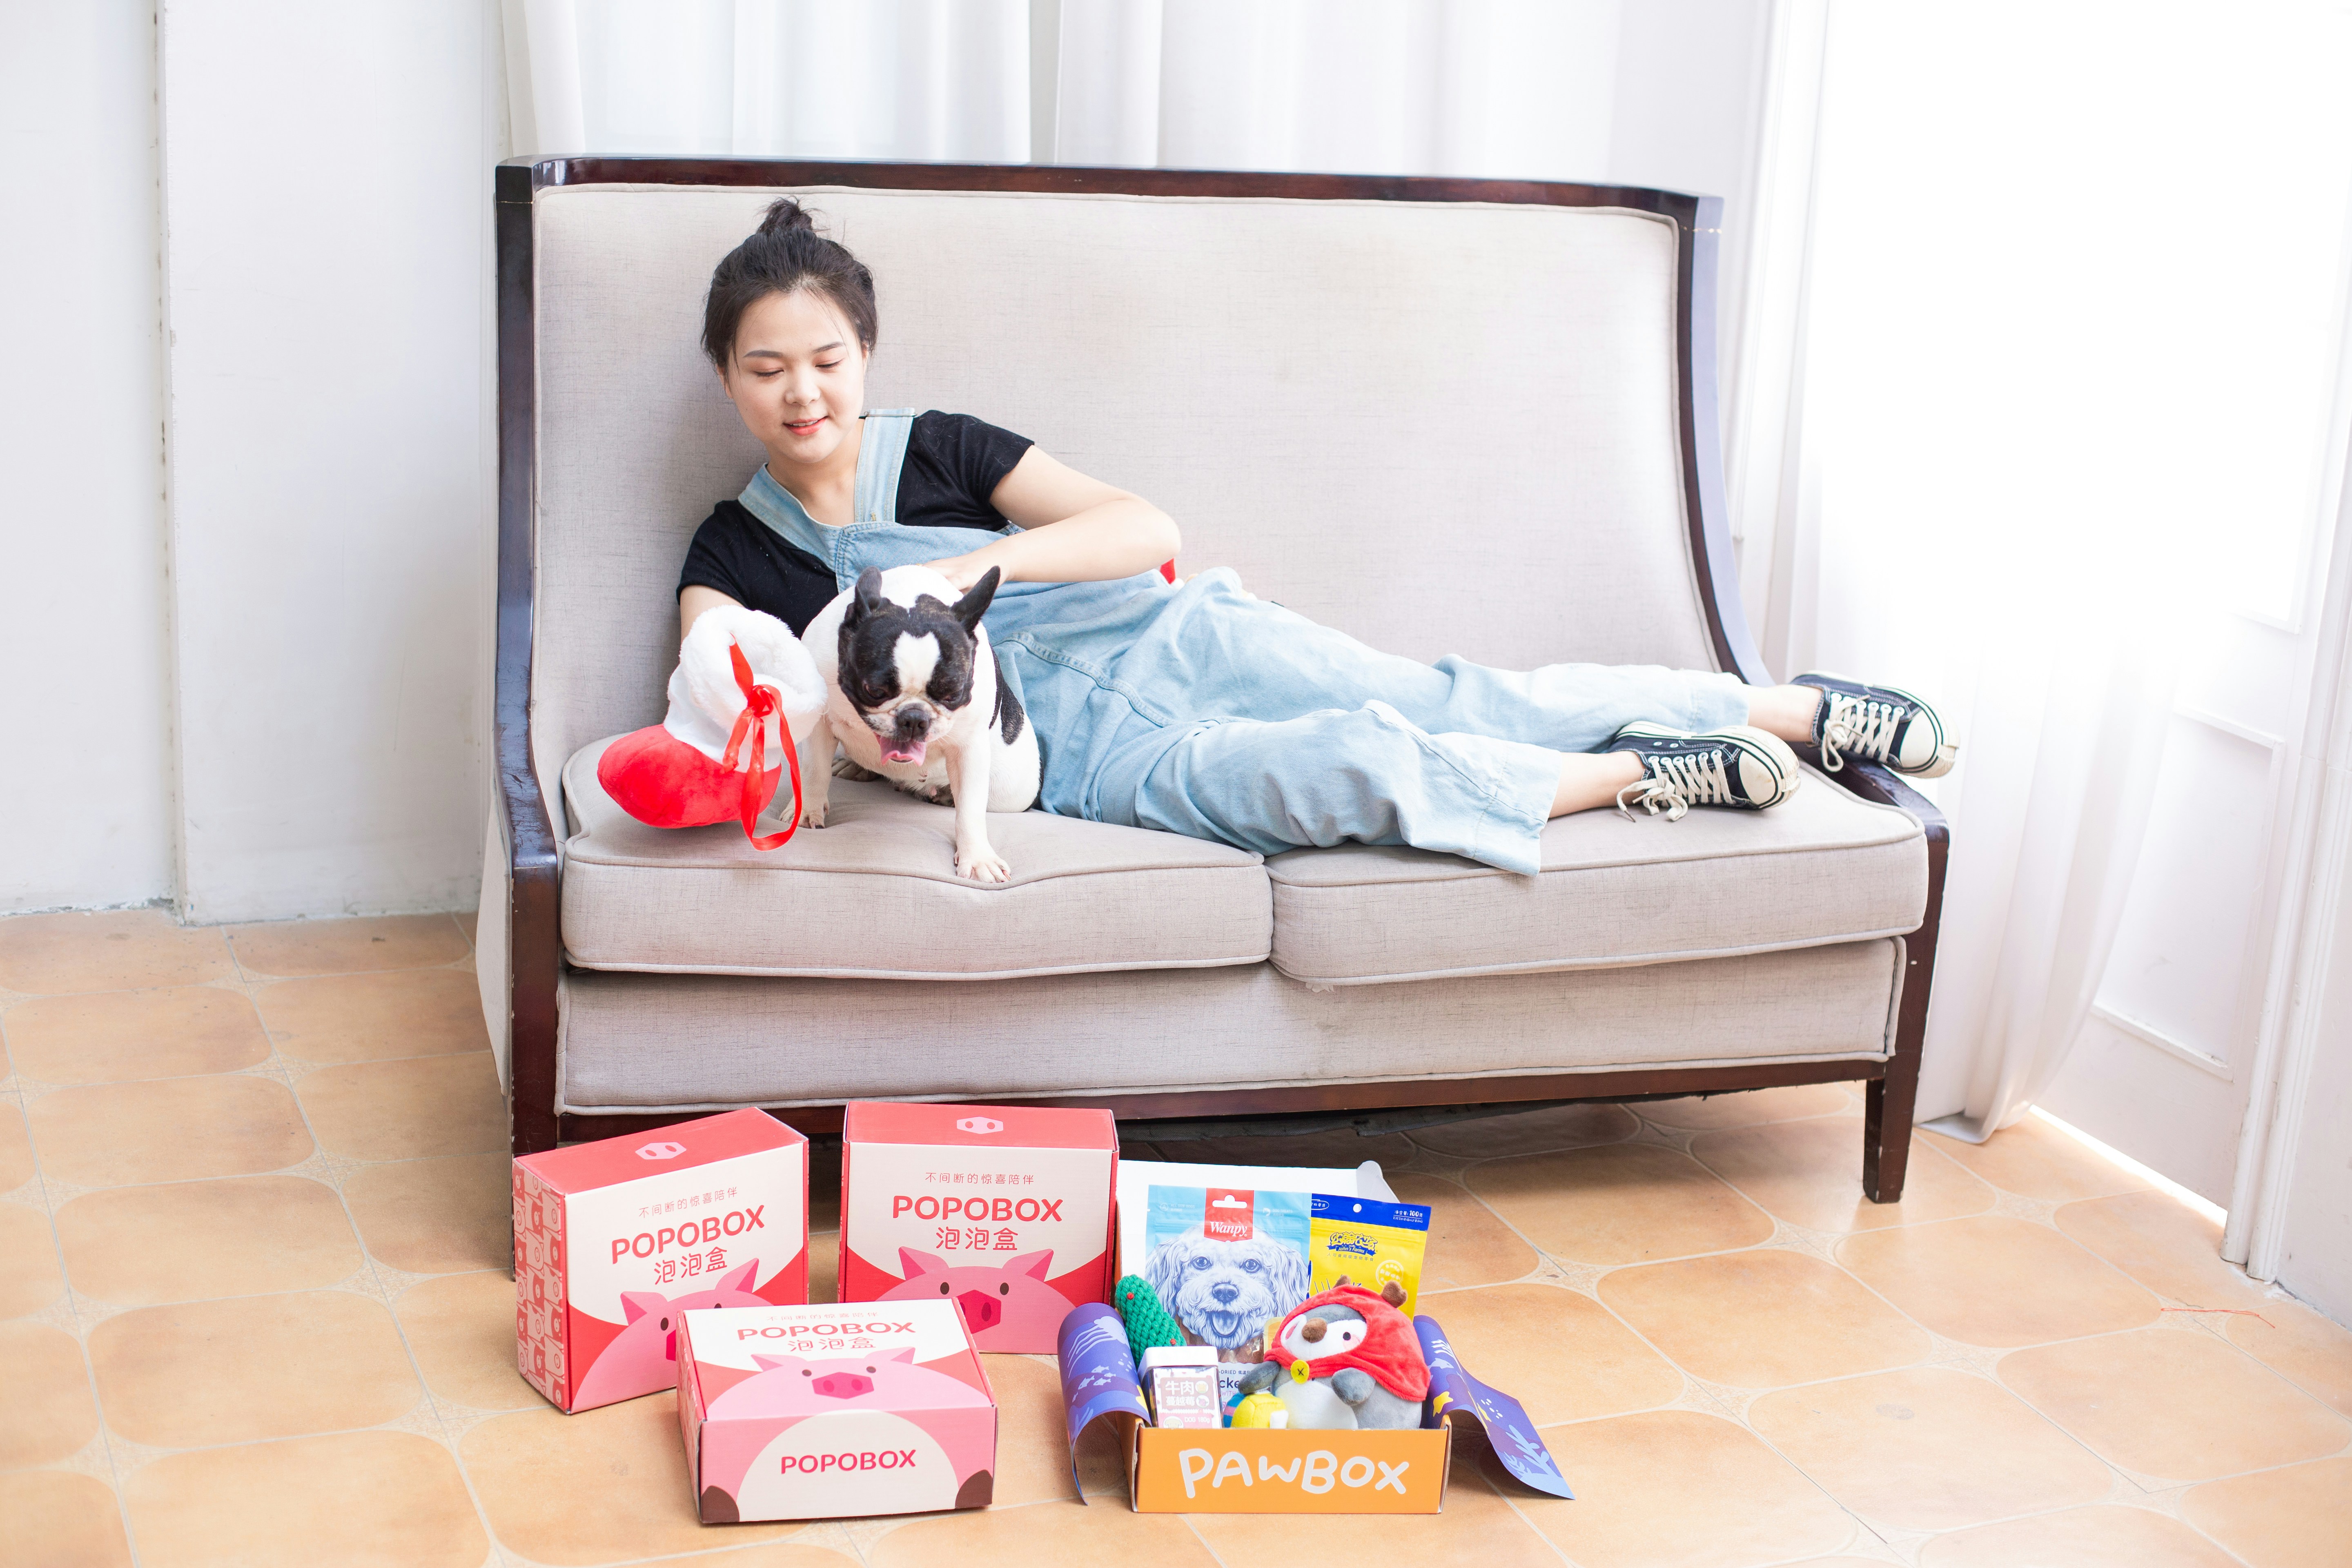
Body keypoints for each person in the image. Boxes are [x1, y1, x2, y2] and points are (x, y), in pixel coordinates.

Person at [677, 199, 1952, 881]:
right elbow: (711, 690)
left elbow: (1143, 528)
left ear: (867, 355)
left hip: (1172, 638)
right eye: (768, 368)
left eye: (828, 360)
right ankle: (1656, 773)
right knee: (1342, 768)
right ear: (728, 380)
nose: (805, 394)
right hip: (1084, 761)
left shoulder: (946, 446)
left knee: (1447, 698)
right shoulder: (734, 548)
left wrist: (966, 572)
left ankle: (1782, 708)